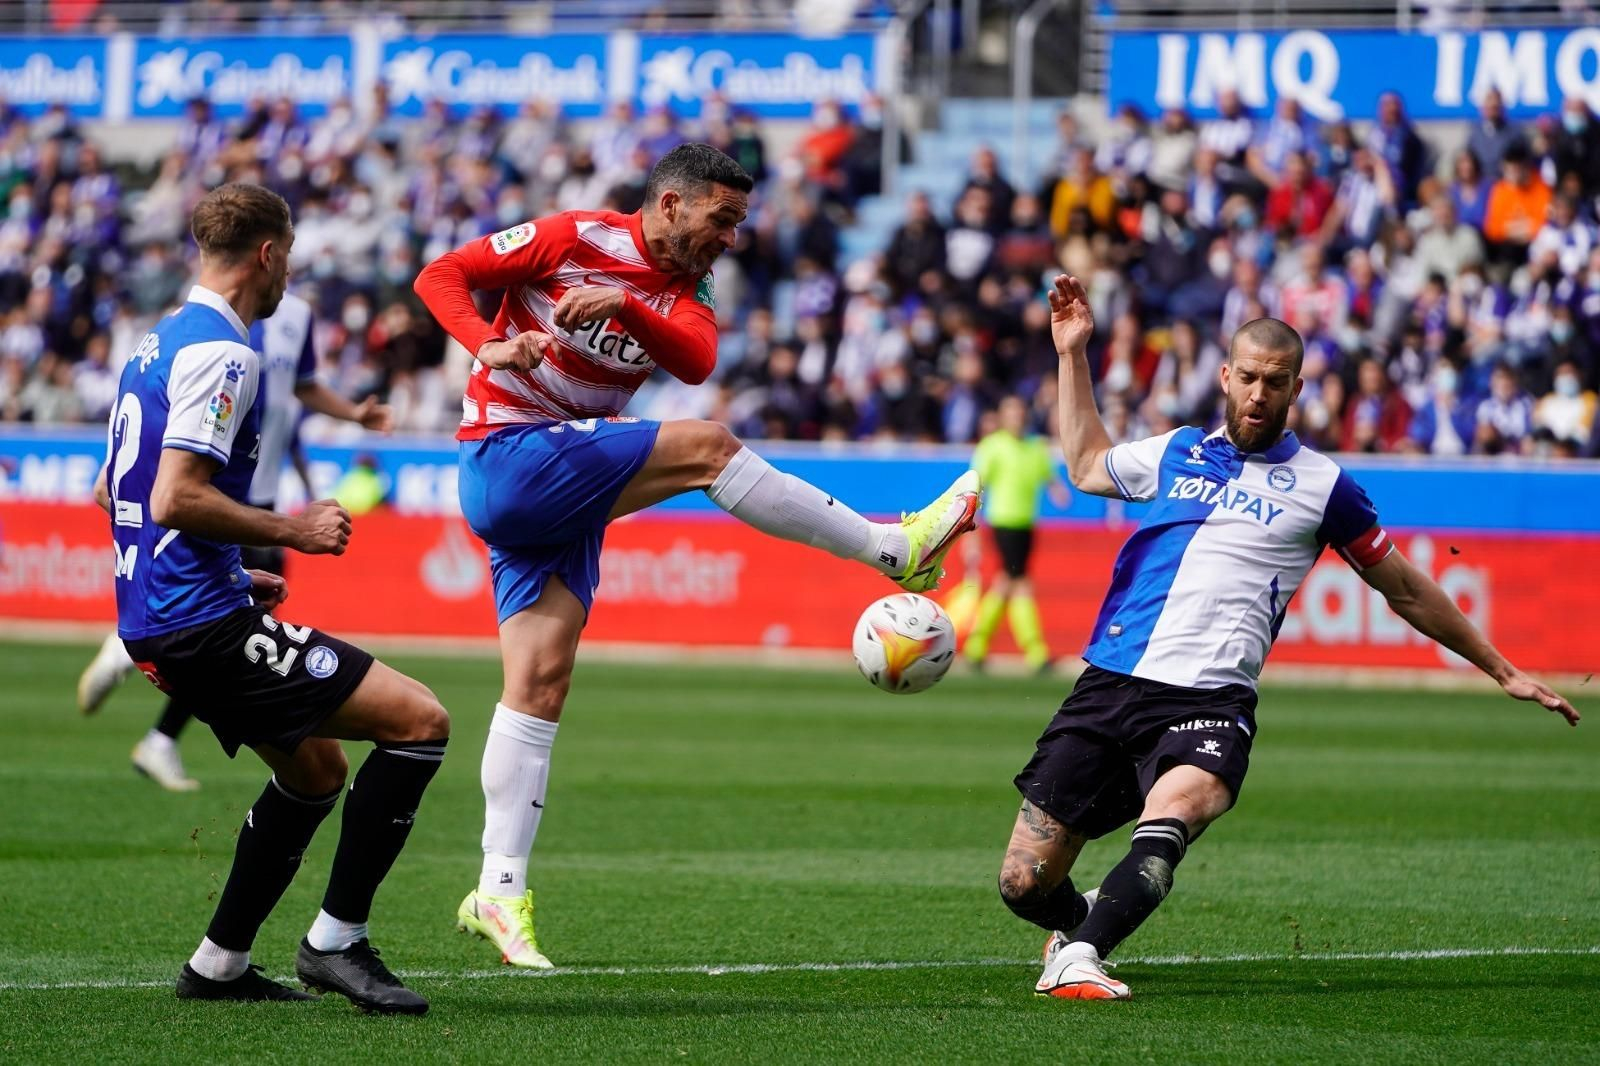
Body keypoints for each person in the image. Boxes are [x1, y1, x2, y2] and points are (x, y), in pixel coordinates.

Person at [412, 143, 980, 969]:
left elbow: (696, 359)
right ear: (670, 205)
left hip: (567, 479)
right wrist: (486, 345)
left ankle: (497, 892)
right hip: (508, 456)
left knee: (538, 686)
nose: (731, 236)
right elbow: (440, 275)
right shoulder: (571, 236)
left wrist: (627, 308)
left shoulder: (688, 288)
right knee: (710, 449)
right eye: (722, 218)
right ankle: (894, 549)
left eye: (740, 222)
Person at [1000, 276, 1579, 1002]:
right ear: (1224, 376)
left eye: (1274, 383)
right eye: (1246, 378)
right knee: (1023, 883)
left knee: (1181, 808)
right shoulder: (1176, 451)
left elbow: (1403, 587)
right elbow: (1086, 466)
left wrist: (1501, 669)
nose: (1257, 394)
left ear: (1296, 389)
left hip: (1212, 699)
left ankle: (1080, 956)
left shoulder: (1324, 485)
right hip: (1113, 681)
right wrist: (1073, 355)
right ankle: (1081, 918)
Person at [103, 183, 449, 1012]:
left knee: (317, 771)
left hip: (171, 613)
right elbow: (175, 497)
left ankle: (218, 965)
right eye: (287, 254)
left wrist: (225, 565)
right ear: (269, 254)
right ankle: (338, 942)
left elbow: (122, 488)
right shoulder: (226, 354)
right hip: (197, 626)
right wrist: (290, 530)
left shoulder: (156, 345)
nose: (289, 270)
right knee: (419, 722)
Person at [76, 290, 396, 791]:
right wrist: (296, 528)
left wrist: (353, 415)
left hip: (259, 499)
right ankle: (153, 716)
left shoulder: (291, 316)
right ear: (266, 253)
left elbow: (299, 392)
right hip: (222, 503)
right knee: (219, 633)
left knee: (243, 631)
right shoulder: (217, 333)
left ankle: (159, 728)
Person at [961, 395, 1070, 672]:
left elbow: (1049, 478)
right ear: (1002, 416)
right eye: (1011, 412)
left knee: (1007, 581)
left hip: (1026, 524)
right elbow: (976, 486)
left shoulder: (1035, 448)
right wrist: (969, 528)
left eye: (1020, 411)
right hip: (1003, 522)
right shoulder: (993, 447)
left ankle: (977, 645)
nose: (1016, 417)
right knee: (1017, 581)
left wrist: (1057, 490)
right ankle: (1034, 651)